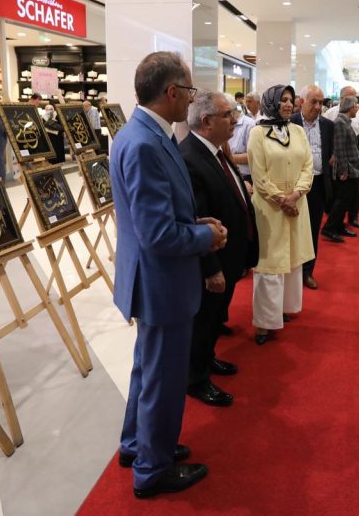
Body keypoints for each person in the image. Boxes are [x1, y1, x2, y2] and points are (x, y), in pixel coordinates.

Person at [110, 51, 227, 499]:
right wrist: (206, 236)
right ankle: (152, 469)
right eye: (190, 91)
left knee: (148, 371)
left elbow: (158, 215)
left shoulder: (143, 134)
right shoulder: (144, 143)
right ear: (172, 92)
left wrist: (195, 225)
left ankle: (138, 445)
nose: (193, 100)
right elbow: (158, 233)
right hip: (162, 283)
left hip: (154, 279)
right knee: (162, 379)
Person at [179, 91, 258, 407]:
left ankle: (207, 359)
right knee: (204, 321)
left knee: (214, 320)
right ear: (207, 121)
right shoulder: (191, 158)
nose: (235, 120)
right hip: (215, 260)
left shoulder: (215, 151)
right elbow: (198, 219)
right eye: (228, 114)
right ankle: (195, 380)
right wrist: (211, 268)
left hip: (230, 253)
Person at [248, 85, 314, 345]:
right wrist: (281, 199)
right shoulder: (257, 133)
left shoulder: (297, 131)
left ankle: (283, 309)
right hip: (270, 209)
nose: (288, 104)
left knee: (291, 261)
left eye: (290, 99)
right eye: (282, 100)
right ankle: (264, 324)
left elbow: (308, 166)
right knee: (270, 265)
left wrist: (296, 194)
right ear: (271, 102)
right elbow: (259, 174)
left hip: (296, 207)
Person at [291, 84, 334, 289]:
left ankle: (308, 271)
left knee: (312, 229)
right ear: (301, 102)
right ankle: (292, 269)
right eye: (313, 102)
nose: (318, 106)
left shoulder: (328, 126)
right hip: (293, 186)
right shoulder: (290, 123)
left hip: (317, 185)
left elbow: (330, 153)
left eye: (321, 102)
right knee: (293, 229)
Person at [323, 85, 359, 226]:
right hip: (340, 160)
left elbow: (355, 139)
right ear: (343, 99)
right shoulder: (332, 114)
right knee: (341, 194)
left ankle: (351, 218)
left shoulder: (355, 115)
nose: (357, 106)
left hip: (353, 157)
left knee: (352, 193)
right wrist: (335, 159)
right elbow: (334, 142)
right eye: (351, 99)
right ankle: (334, 223)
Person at [322, 96, 359, 243]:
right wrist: (344, 171)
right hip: (347, 170)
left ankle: (338, 226)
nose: (357, 109)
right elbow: (339, 149)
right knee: (342, 200)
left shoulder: (345, 122)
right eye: (356, 106)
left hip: (351, 168)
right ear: (350, 107)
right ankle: (329, 228)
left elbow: (350, 144)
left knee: (345, 200)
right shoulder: (340, 122)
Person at [229, 102, 257, 182]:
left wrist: (227, 157)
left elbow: (253, 156)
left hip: (246, 176)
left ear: (232, 112)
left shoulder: (250, 124)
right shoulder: (226, 124)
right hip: (231, 173)